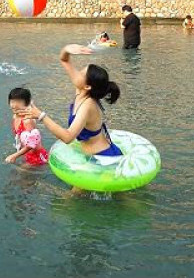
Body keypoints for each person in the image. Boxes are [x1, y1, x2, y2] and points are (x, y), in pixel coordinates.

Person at [18, 44, 123, 179]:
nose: (76, 72)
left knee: (73, 197)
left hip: (103, 158)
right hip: (91, 155)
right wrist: (67, 49)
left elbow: (67, 137)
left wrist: (41, 116)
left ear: (87, 86)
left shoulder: (88, 106)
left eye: (81, 73)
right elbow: (64, 60)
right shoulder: (81, 91)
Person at [5, 87, 49, 167]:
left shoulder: (27, 121)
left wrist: (14, 155)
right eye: (12, 101)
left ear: (26, 103)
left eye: (19, 102)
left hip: (36, 155)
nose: (14, 105)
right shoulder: (15, 116)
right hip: (25, 153)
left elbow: (31, 144)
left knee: (20, 174)